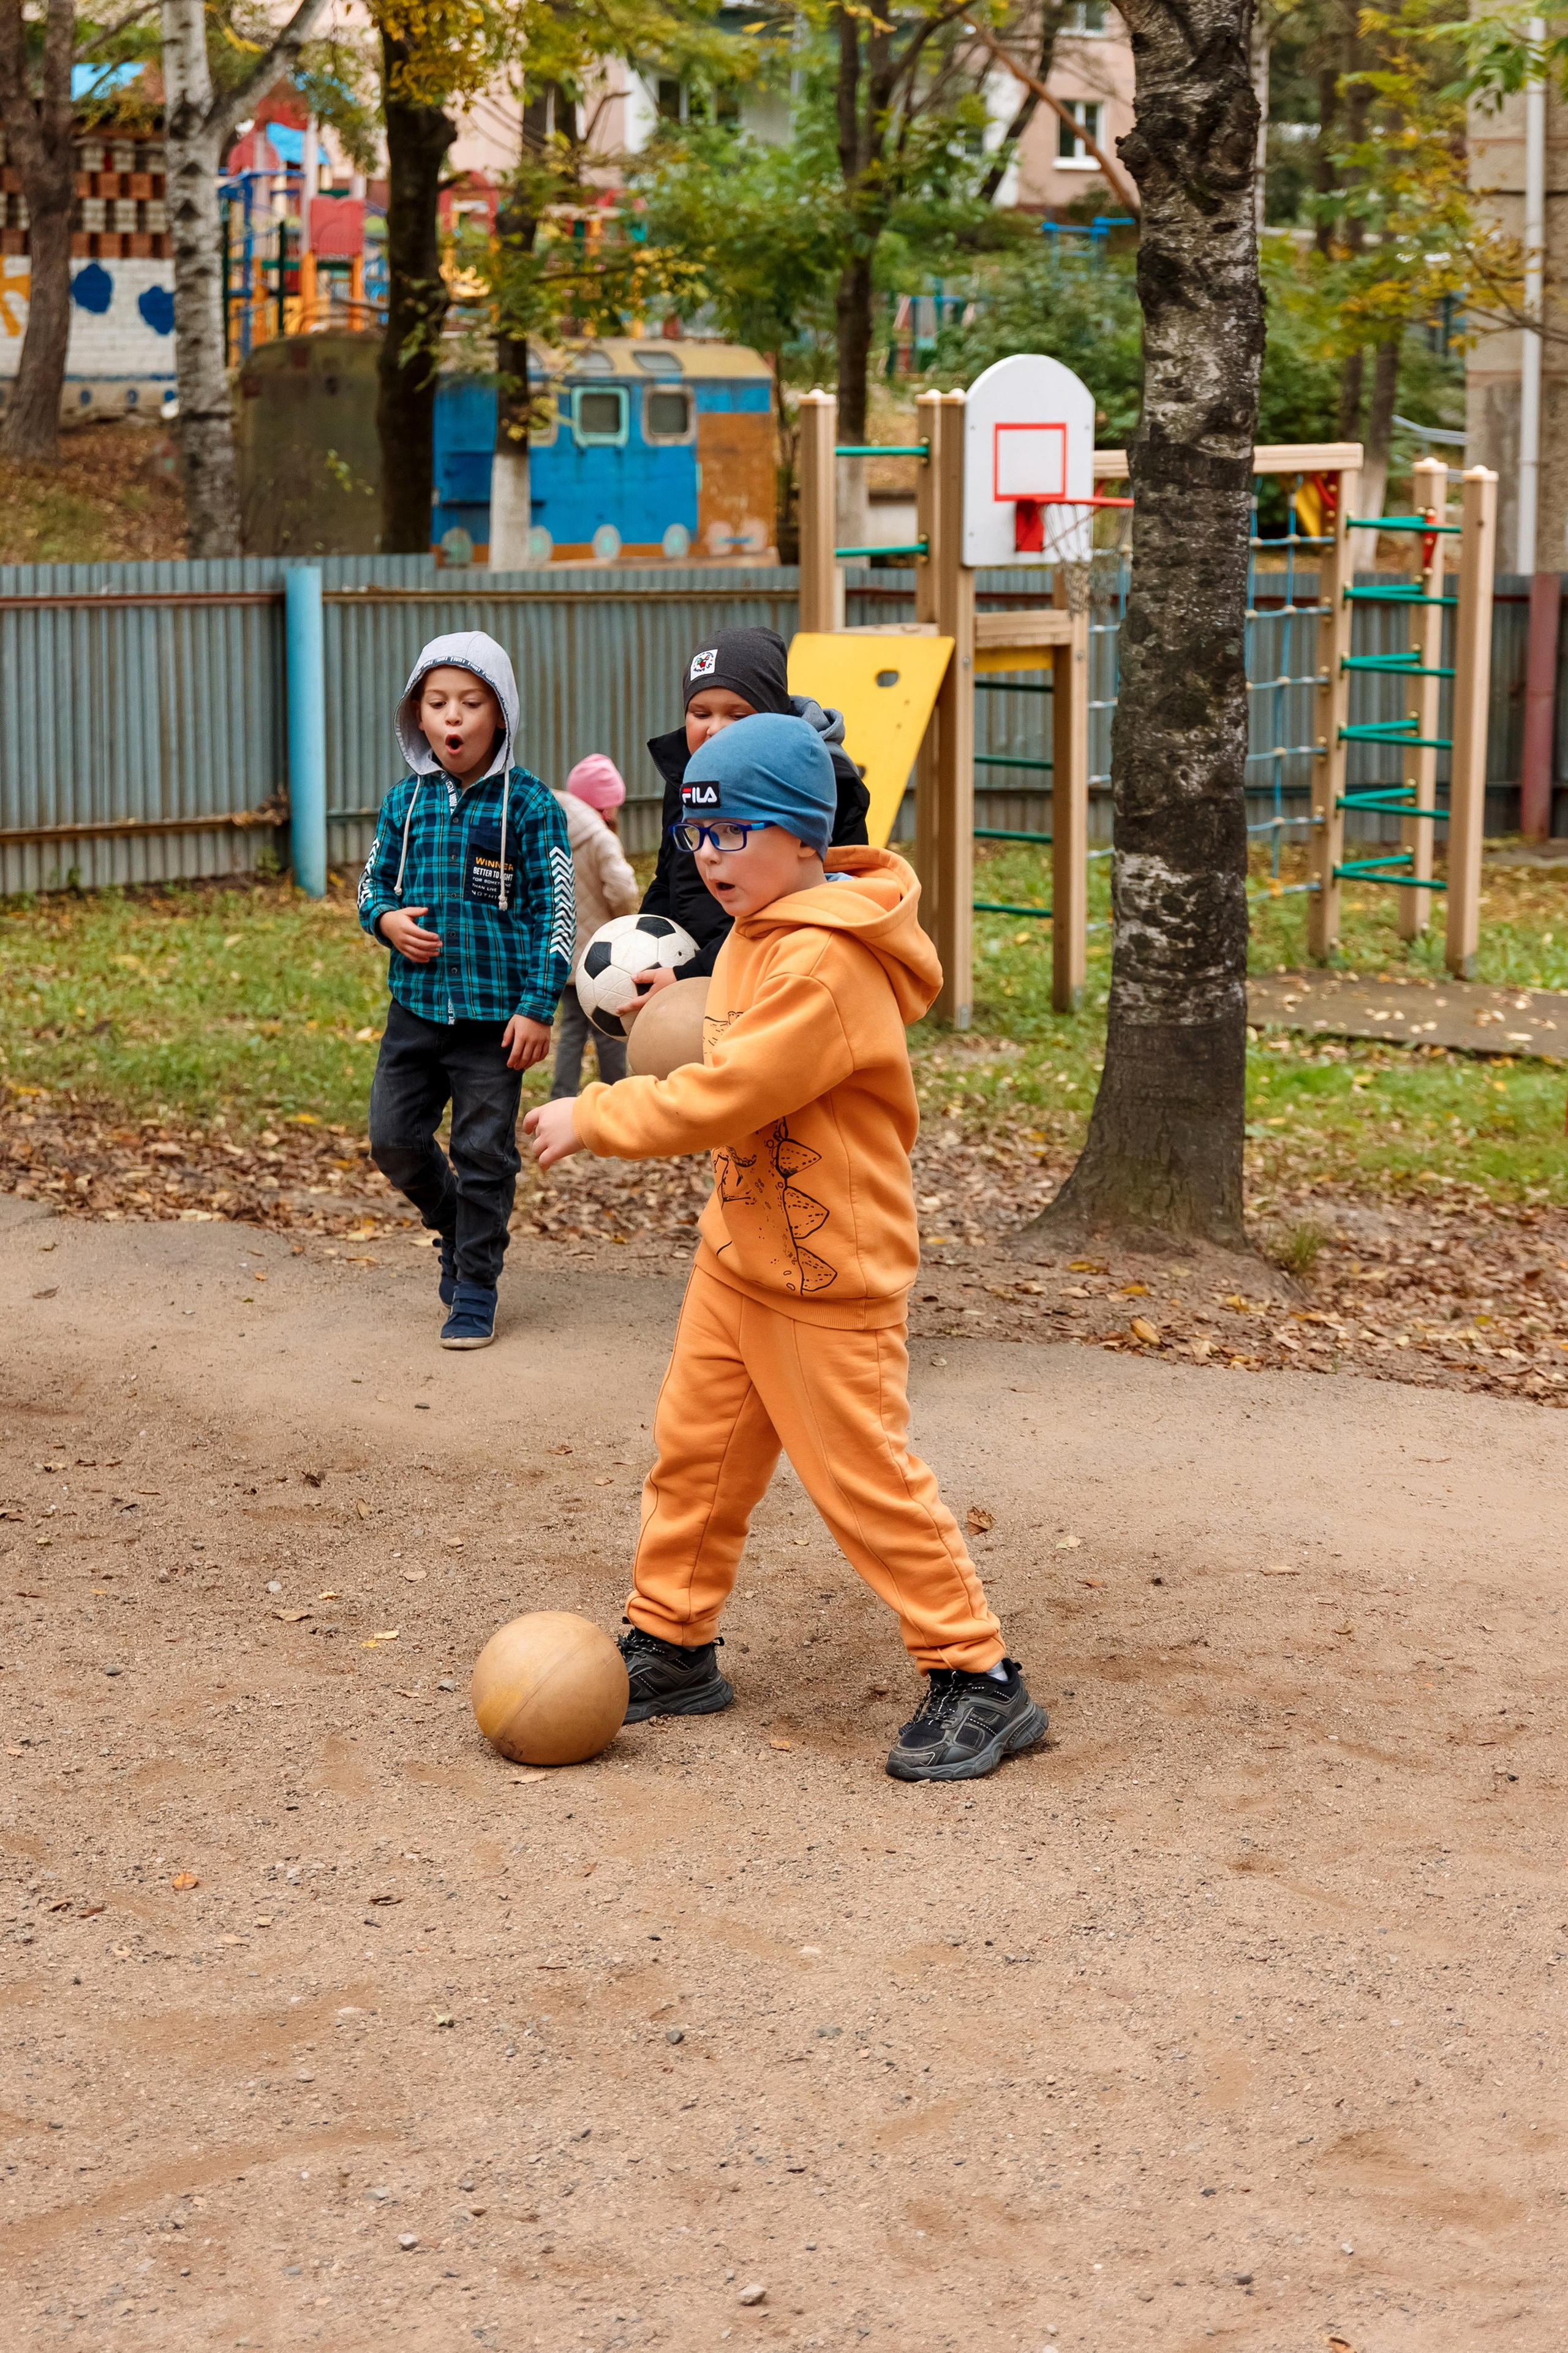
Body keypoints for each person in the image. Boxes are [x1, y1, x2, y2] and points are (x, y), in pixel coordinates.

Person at [524, 713, 1045, 1785]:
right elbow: (733, 1048)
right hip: (741, 1256)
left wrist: (599, 1114)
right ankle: (671, 1641)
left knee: (864, 1479)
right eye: (698, 836)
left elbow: (735, 1092)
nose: (710, 857)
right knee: (697, 1455)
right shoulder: (764, 929)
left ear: (805, 837)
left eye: (736, 835)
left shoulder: (827, 962)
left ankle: (979, 1675)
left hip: (827, 1275)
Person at [358, 630, 574, 1352]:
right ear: (416, 714)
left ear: (500, 714)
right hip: (415, 1009)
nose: (453, 717)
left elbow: (558, 913)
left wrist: (537, 1005)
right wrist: (387, 920)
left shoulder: (532, 807)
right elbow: (371, 887)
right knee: (393, 1140)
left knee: (484, 1151)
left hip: (495, 1022)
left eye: (471, 702)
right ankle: (454, 1224)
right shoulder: (405, 805)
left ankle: (476, 1283)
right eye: (438, 702)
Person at [625, 626, 870, 1016]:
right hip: (694, 973)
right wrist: (642, 940)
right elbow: (669, 875)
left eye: (738, 714)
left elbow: (815, 900)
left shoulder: (813, 786)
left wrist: (695, 971)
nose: (715, 728)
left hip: (767, 976)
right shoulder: (688, 776)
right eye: (700, 713)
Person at [551, 753, 641, 1097]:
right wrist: (621, 918)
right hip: (604, 956)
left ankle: (562, 1098)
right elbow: (622, 889)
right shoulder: (602, 838)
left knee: (573, 1029)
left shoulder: (552, 833)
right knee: (609, 1027)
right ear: (606, 806)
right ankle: (616, 1097)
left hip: (564, 950)